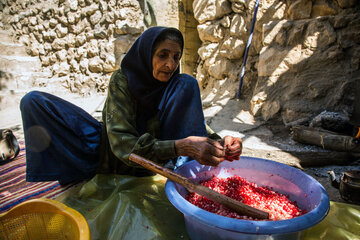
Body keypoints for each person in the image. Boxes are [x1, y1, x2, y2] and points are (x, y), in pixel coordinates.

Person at [20, 26, 242, 185]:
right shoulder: (122, 80)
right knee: (34, 102)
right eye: (163, 55)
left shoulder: (176, 86)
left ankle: (188, 170)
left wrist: (221, 143)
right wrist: (181, 146)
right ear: (146, 54)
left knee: (188, 82)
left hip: (160, 160)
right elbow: (122, 147)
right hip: (120, 156)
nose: (171, 64)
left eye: (176, 57)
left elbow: (194, 127)